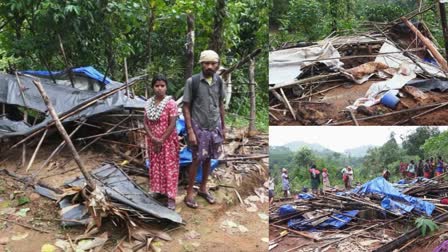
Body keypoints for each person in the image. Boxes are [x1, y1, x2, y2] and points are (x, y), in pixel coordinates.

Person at [182, 50, 226, 209]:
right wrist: (190, 131)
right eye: (206, 63)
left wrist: (223, 126)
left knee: (209, 158)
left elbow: (220, 104)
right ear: (201, 64)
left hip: (214, 126)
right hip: (198, 127)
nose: (209, 66)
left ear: (217, 65)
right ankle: (188, 193)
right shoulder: (192, 82)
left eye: (213, 63)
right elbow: (186, 107)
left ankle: (203, 189)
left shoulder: (219, 81)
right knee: (196, 159)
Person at [143, 74, 179, 210]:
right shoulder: (148, 104)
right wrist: (152, 138)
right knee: (156, 166)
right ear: (153, 87)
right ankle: (158, 191)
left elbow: (173, 123)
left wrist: (161, 139)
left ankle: (171, 197)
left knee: (169, 168)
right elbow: (145, 122)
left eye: (162, 86)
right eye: (156, 86)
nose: (159, 88)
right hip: (153, 141)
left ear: (166, 87)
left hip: (167, 141)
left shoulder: (171, 103)